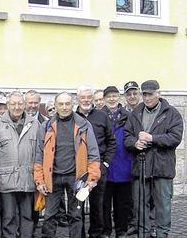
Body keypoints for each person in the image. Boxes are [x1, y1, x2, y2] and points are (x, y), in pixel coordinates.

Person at [34, 92, 101, 238]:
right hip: (52, 178)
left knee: (76, 216)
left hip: (77, 178)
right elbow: (39, 155)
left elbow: (93, 153)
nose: (64, 107)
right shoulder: (46, 126)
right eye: (61, 104)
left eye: (67, 104)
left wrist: (92, 178)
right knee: (49, 216)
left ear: (73, 104)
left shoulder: (84, 125)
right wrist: (39, 180)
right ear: (55, 106)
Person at [124, 80, 183, 237]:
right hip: (141, 166)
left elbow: (175, 138)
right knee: (140, 206)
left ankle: (162, 234)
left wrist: (152, 138)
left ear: (159, 93)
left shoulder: (172, 113)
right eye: (144, 94)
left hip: (162, 167)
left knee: (163, 206)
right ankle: (144, 234)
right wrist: (135, 143)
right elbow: (127, 136)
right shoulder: (136, 113)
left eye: (150, 94)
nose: (147, 98)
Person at [0, 92, 40, 238]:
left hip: (28, 179)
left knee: (27, 217)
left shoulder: (35, 124)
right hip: (6, 180)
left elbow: (39, 153)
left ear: (24, 105)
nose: (17, 107)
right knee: (8, 217)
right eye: (13, 104)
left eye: (20, 104)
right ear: (8, 105)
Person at [75, 86, 116, 238]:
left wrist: (105, 164)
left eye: (88, 97)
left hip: (98, 169)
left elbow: (112, 141)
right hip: (78, 170)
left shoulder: (102, 116)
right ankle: (79, 234)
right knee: (77, 206)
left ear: (92, 98)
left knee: (97, 206)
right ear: (77, 99)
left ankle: (96, 234)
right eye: (82, 97)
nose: (86, 100)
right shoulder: (72, 117)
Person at [100, 86, 132, 238]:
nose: (112, 99)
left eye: (114, 96)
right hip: (105, 166)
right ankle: (105, 230)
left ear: (119, 98)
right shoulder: (99, 115)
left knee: (122, 204)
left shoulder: (129, 116)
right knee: (104, 204)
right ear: (104, 99)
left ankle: (121, 230)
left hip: (124, 165)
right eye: (108, 96)